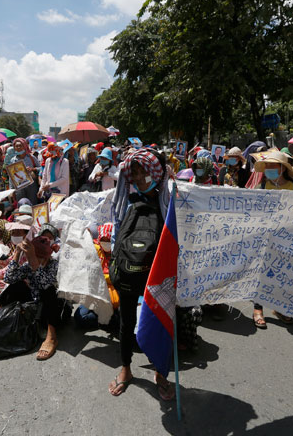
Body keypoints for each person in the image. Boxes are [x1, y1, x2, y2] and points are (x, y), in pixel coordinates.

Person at [108, 148, 174, 401]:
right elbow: (116, 229)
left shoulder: (169, 198)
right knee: (126, 324)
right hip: (129, 270)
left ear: (154, 173)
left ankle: (160, 372)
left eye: (140, 173)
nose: (135, 178)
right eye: (132, 173)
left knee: (160, 321)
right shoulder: (126, 197)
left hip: (157, 271)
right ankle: (126, 368)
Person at [246, 150, 293, 327]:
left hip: (288, 239)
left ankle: (280, 307)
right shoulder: (260, 188)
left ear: (282, 168)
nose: (269, 168)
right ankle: (258, 308)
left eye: (272, 165)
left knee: (284, 275)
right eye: (267, 165)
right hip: (265, 239)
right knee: (261, 274)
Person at [2, 224, 61, 360]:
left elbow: (45, 284)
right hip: (33, 308)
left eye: (41, 258)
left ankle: (51, 337)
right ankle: (9, 323)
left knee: (49, 290)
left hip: (51, 309)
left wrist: (34, 261)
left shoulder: (54, 265)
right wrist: (17, 254)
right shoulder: (28, 265)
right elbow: (8, 278)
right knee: (15, 287)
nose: (38, 261)